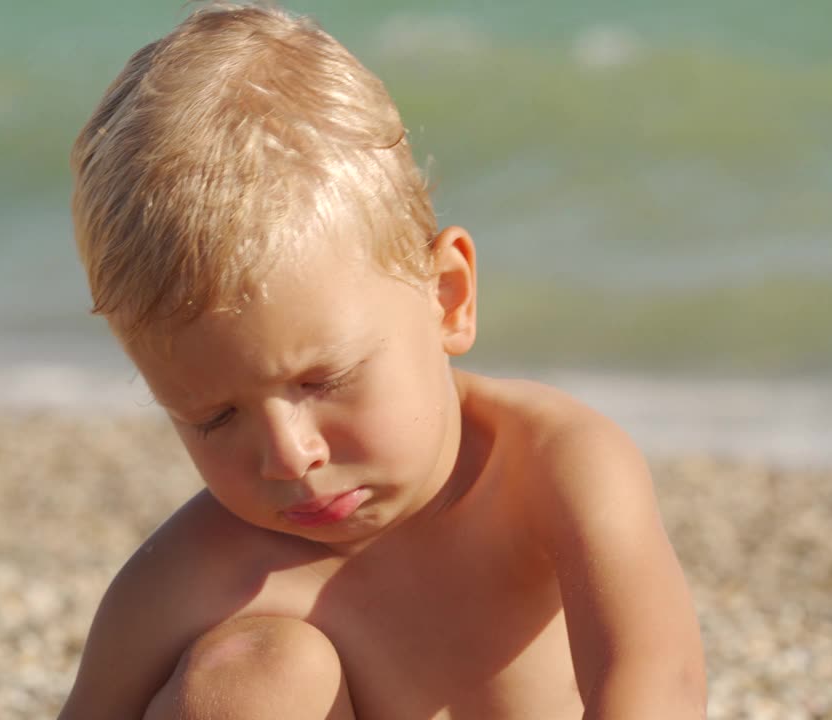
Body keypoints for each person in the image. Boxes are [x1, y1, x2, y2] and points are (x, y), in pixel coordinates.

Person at [60, 4, 704, 718]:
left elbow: (657, 682)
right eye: (213, 418)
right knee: (260, 673)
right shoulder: (198, 575)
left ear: (449, 297)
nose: (288, 455)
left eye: (324, 381)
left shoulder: (552, 469)